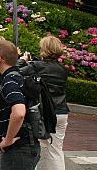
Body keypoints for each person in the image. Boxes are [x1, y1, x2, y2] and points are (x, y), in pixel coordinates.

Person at [18, 36, 69, 170]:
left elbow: (15, 72)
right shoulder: (63, 70)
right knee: (56, 149)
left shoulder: (37, 66)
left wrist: (22, 61)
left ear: (44, 50)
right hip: (62, 111)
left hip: (43, 112)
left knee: (35, 144)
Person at [0, 39, 40, 169]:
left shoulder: (9, 81)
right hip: (25, 147)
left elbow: (19, 112)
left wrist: (8, 139)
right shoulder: (18, 76)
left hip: (18, 150)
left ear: (0, 58)